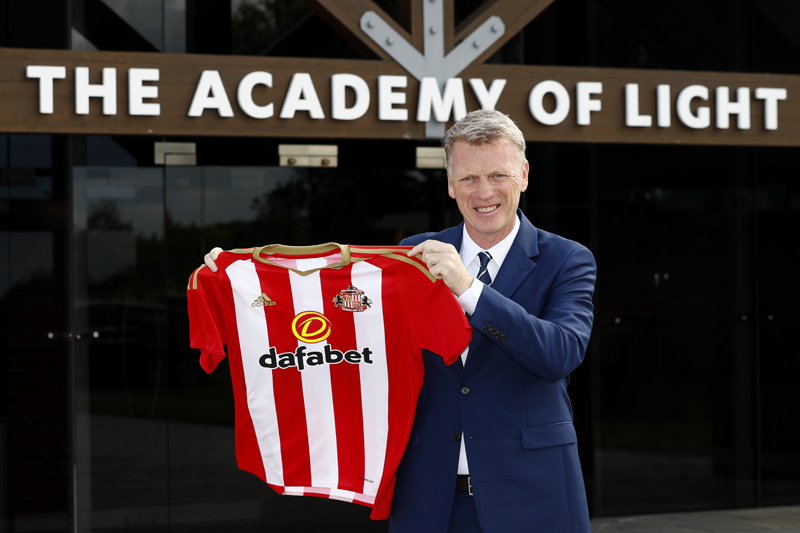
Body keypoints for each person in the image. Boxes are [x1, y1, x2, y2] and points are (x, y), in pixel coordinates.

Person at [204, 110, 596, 533]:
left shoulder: (568, 259)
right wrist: (241, 274)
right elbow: (337, 310)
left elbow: (560, 352)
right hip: (429, 495)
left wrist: (468, 289)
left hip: (533, 493)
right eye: (468, 178)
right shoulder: (411, 255)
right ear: (450, 183)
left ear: (523, 174)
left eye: (498, 175)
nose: (484, 192)